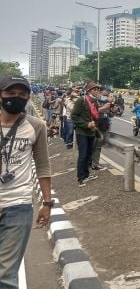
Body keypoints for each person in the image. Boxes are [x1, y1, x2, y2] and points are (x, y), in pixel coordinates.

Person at [0, 76, 52, 289]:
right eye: (10, 94)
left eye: (22, 94)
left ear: (29, 97)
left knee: (5, 275)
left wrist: (47, 203)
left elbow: (43, 166)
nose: (16, 98)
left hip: (18, 206)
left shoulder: (36, 126)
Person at [71, 82, 101, 187]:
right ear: (89, 91)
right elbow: (74, 116)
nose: (97, 91)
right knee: (83, 155)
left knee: (88, 155)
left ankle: (86, 174)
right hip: (82, 132)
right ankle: (80, 177)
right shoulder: (81, 100)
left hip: (91, 132)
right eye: (94, 89)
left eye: (98, 90)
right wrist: (86, 124)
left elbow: (96, 117)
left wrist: (95, 127)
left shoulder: (95, 102)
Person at [90, 87, 114, 170]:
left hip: (104, 122)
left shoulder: (106, 100)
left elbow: (111, 114)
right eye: (106, 92)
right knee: (94, 144)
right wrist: (104, 107)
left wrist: (113, 110)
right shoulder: (94, 99)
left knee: (100, 144)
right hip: (96, 123)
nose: (107, 94)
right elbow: (92, 111)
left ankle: (95, 163)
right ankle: (92, 163)